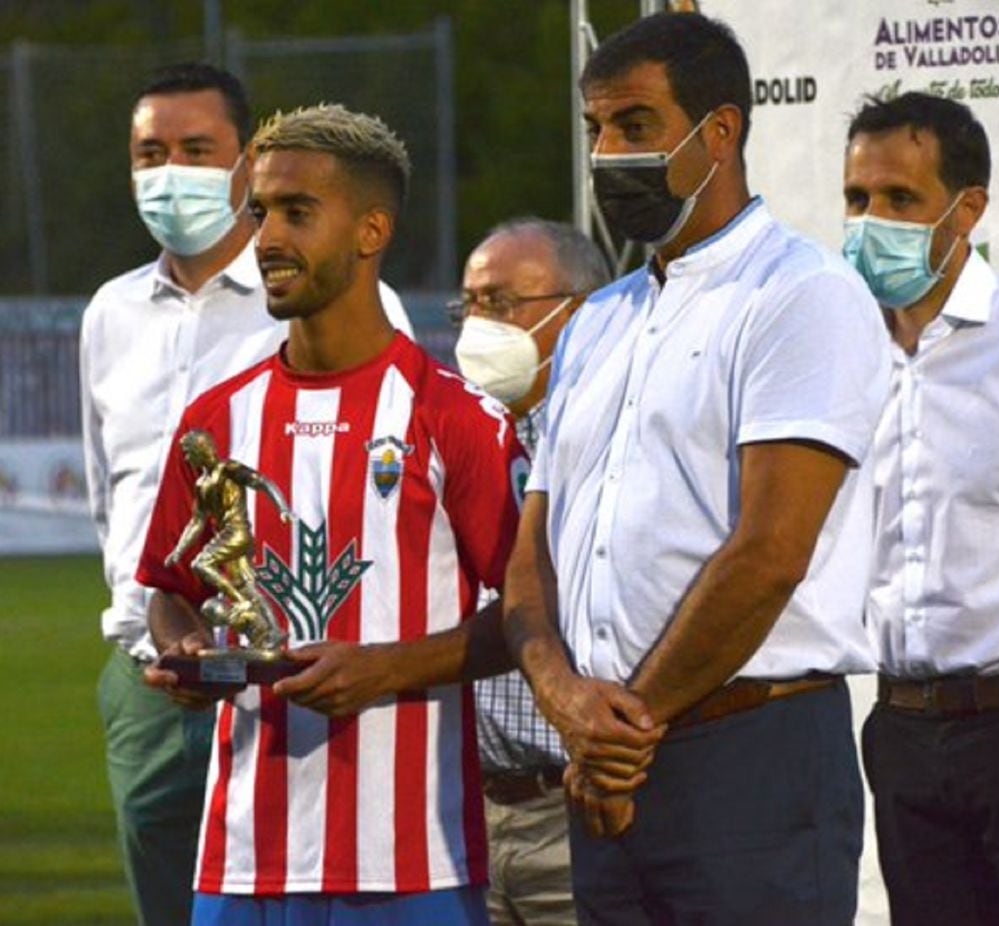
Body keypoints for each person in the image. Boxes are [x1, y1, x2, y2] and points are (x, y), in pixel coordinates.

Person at [503, 12, 890, 924]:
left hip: (749, 756)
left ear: (720, 132)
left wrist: (623, 727)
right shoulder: (600, 317)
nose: (607, 153)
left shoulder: (802, 293)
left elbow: (770, 552)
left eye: (635, 126)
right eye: (596, 128)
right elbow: (534, 550)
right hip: (603, 764)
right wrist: (568, 705)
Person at [137, 103, 527, 926]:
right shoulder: (216, 420)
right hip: (241, 863)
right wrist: (184, 648)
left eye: (296, 213)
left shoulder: (453, 419)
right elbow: (168, 585)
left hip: (414, 862)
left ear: (370, 231)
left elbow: (531, 615)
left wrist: (388, 667)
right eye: (259, 213)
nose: (267, 238)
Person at [80, 62, 413, 926]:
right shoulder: (109, 314)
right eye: (150, 153)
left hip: (296, 677)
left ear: (245, 164)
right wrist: (147, 624)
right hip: (148, 683)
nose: (169, 172)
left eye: (197, 149)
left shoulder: (332, 293)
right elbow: (107, 497)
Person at [843, 91, 999, 926]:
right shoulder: (838, 354)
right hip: (902, 734)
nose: (873, 220)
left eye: (900, 199)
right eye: (857, 198)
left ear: (968, 207)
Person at [453, 218, 609, 926]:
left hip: (575, 810)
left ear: (579, 311)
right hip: (463, 814)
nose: (478, 324)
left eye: (501, 303)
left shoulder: (609, 446)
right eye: (469, 304)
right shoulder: (452, 441)